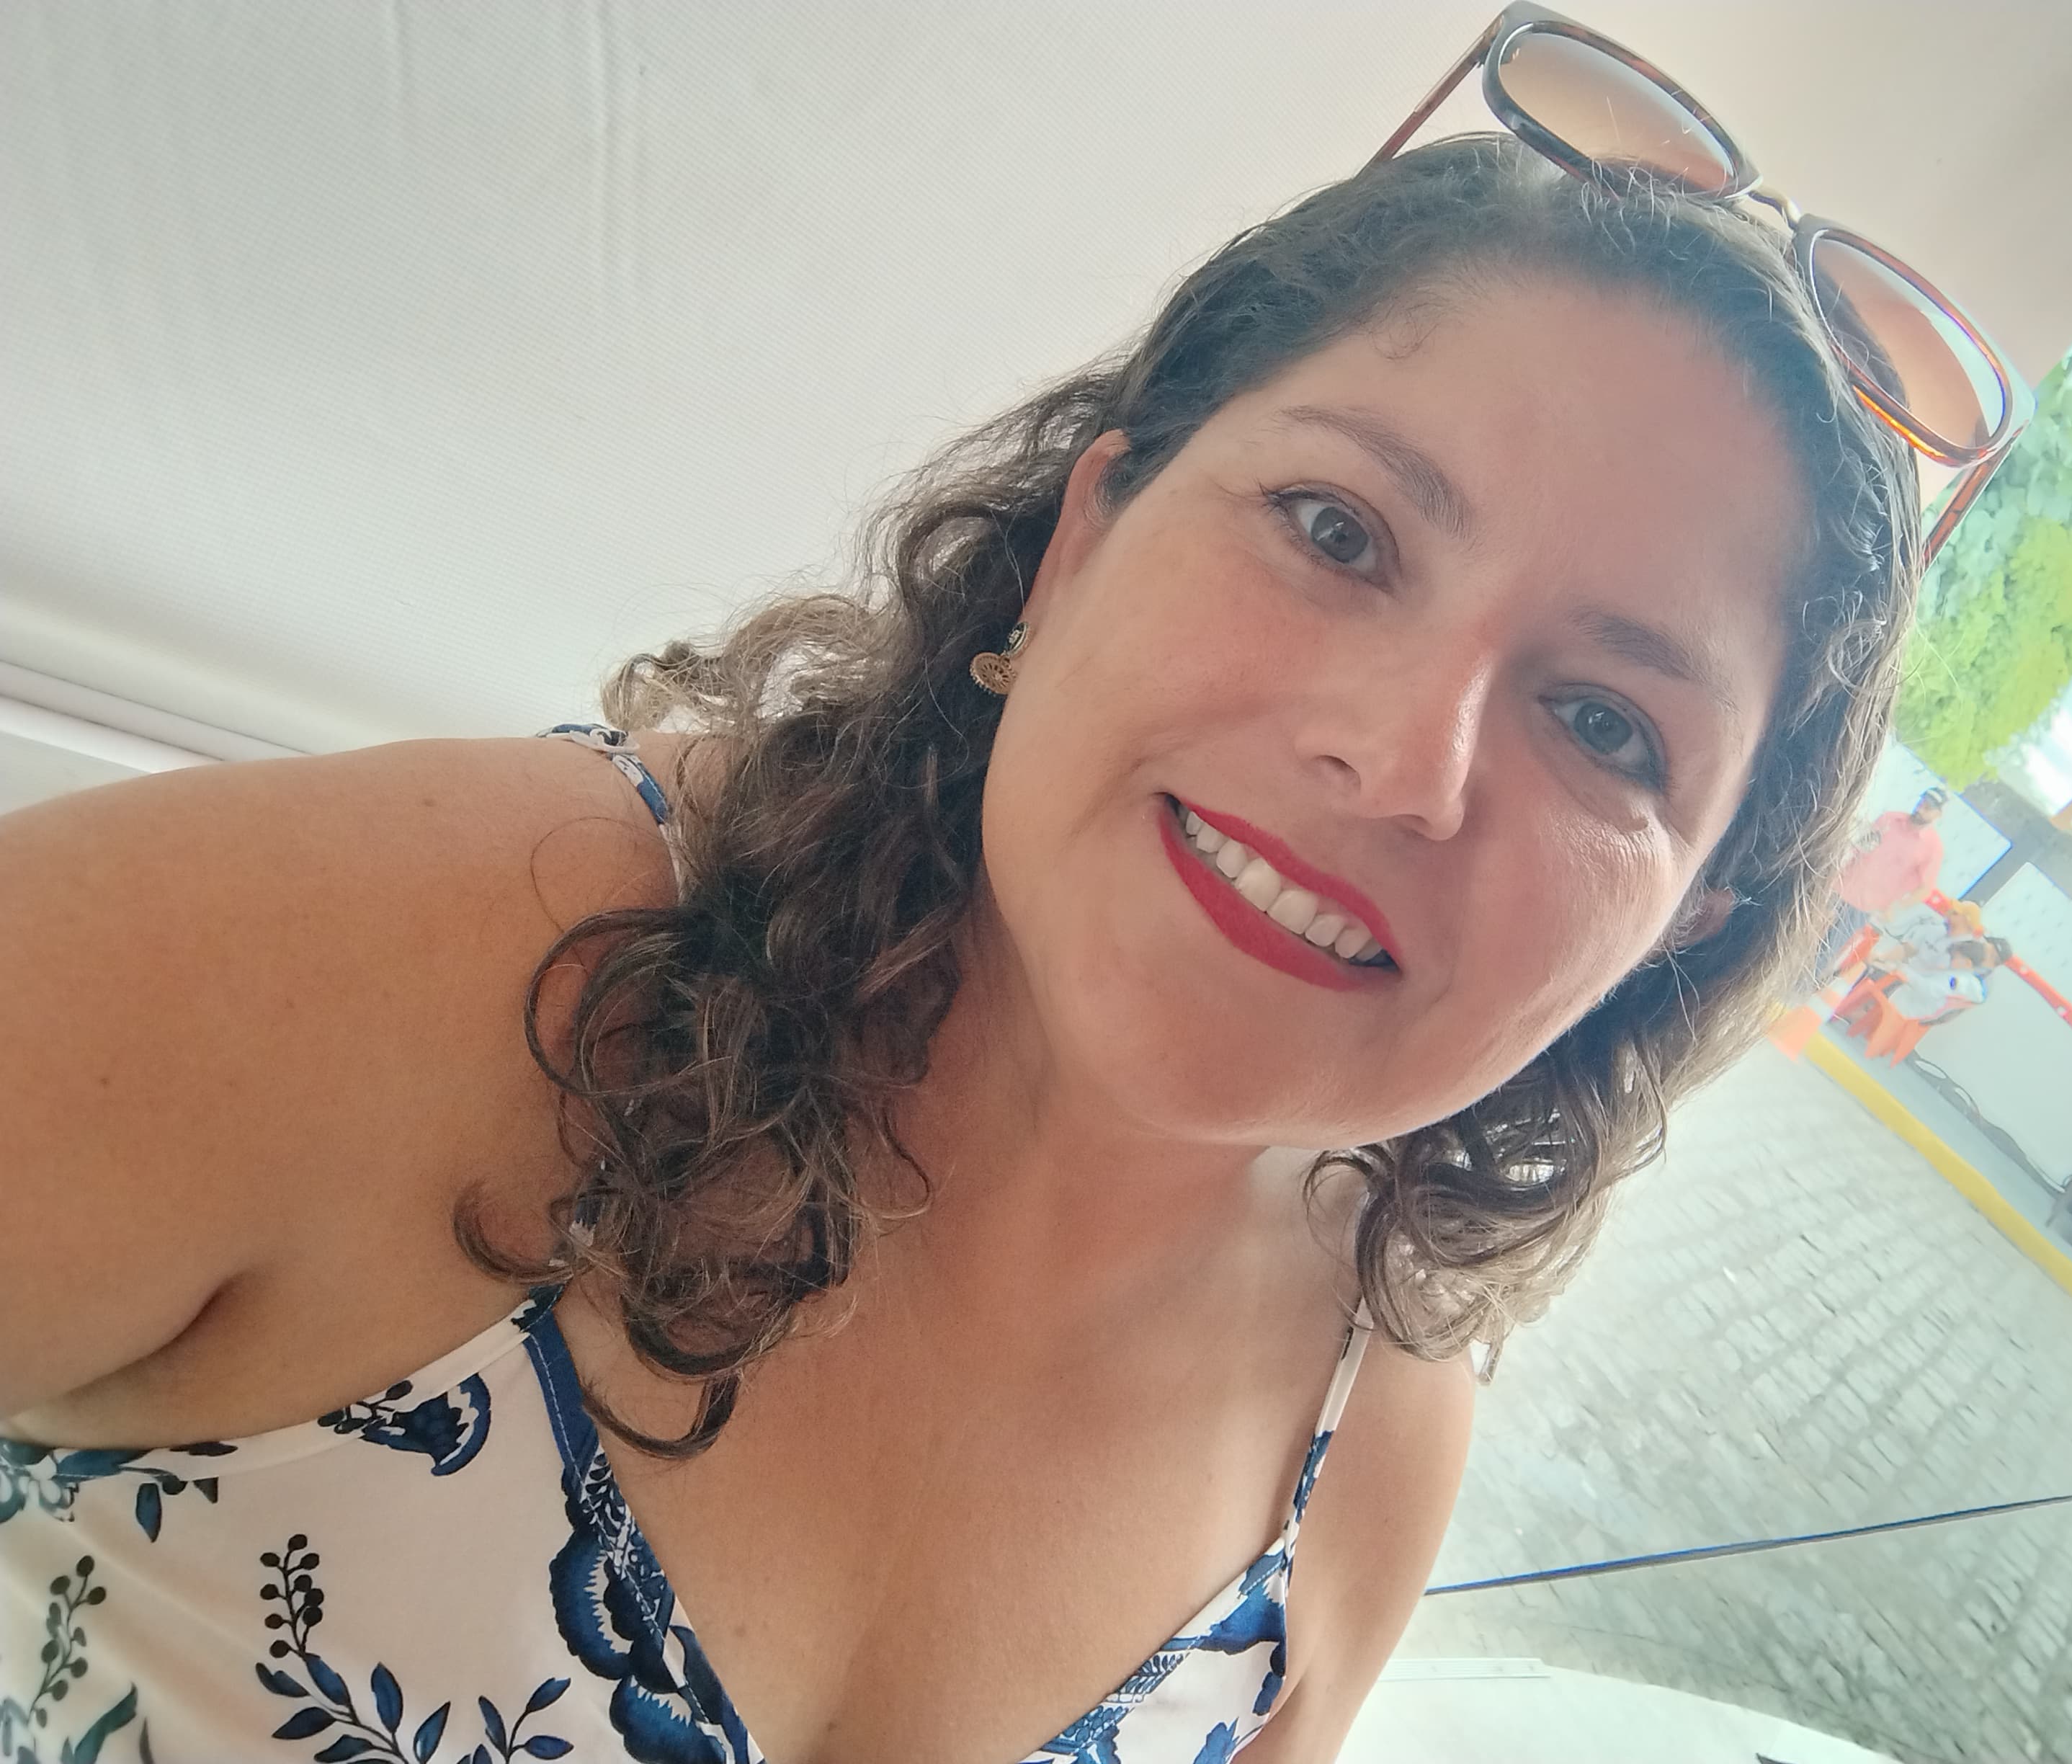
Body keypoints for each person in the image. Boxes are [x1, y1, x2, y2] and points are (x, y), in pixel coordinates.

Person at [0, 32, 1950, 1764]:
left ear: (1680, 924)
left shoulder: (1363, 1456)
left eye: (1604, 723)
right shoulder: (411, 949)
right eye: (1337, 530)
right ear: (1083, 538)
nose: (1400, 757)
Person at [1821, 787, 1949, 973]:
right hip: (1839, 886)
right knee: (1800, 932)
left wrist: (1896, 907)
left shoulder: (1933, 848)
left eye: (1928, 808)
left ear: (1938, 815)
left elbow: (1925, 889)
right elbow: (1860, 847)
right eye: (1921, 803)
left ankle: (1798, 986)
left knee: (1827, 949)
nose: (1921, 809)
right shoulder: (1890, 819)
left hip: (1865, 905)